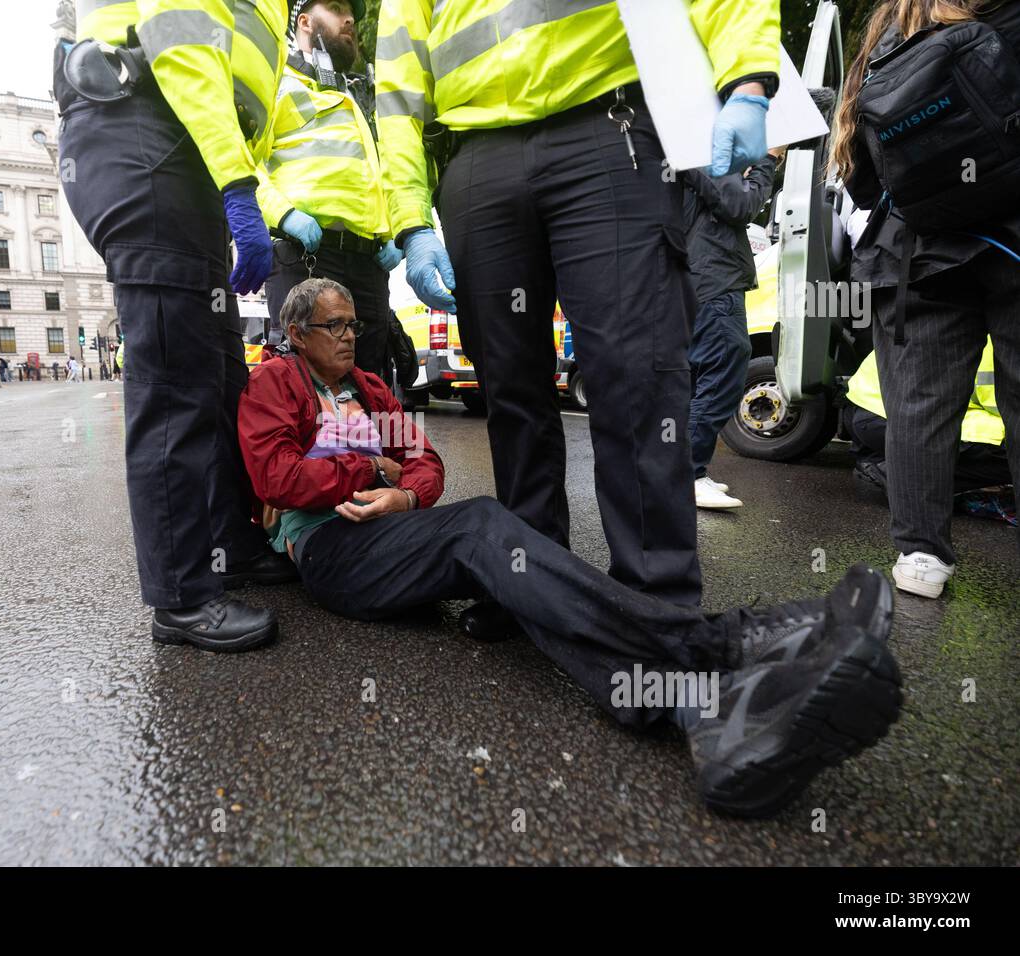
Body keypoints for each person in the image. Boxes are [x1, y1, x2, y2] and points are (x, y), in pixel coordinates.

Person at [236, 279, 902, 817]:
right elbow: (277, 478)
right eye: (335, 326)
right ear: (297, 335)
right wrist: (370, 471)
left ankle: (701, 710)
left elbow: (426, 468)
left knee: (521, 578)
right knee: (483, 528)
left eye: (354, 323)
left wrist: (403, 493)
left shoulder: (372, 392)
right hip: (331, 553)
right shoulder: (276, 384)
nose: (352, 336)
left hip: (391, 531)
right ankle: (729, 642)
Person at [376, 0, 780, 636]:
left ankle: (657, 611)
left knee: (635, 376)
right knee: (509, 389)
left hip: (607, 127)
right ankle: (533, 583)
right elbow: (398, 81)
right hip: (475, 157)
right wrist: (409, 219)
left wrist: (748, 78)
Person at [57, 0, 297, 649]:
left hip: (180, 152)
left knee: (221, 376)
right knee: (175, 388)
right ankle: (183, 596)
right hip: (144, 137)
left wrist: (248, 189)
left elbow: (253, 114)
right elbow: (181, 43)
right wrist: (239, 188)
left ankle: (231, 548)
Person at [832, 0, 1020, 599]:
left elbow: (860, 178)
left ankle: (921, 557)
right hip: (1012, 240)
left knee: (917, 408)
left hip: (916, 253)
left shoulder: (890, 35)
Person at [258, 0, 400, 379]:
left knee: (370, 386)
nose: (350, 18)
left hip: (368, 263)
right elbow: (243, 161)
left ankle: (363, 442)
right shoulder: (274, 80)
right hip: (305, 256)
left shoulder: (358, 96)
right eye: (336, 7)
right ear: (304, 21)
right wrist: (283, 214)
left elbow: (376, 170)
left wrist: (393, 231)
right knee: (305, 387)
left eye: (352, 11)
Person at [681, 153, 779, 509]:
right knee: (725, 365)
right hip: (713, 276)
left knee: (696, 376)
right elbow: (740, 205)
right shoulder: (705, 146)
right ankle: (687, 474)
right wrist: (769, 159)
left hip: (698, 276)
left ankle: (686, 471)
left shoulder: (696, 146)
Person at [844, 342, 1011, 503]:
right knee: (1010, 451)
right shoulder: (1001, 335)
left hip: (866, 405)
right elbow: (1006, 409)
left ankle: (885, 461)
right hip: (889, 414)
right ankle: (901, 477)